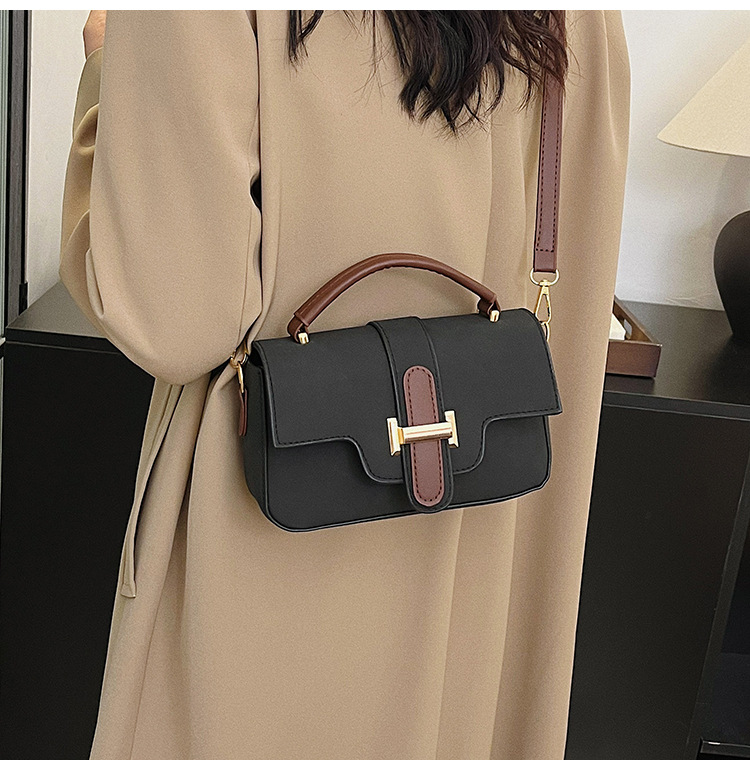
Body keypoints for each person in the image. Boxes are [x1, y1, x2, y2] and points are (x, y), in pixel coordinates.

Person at [60, 10, 630, 760]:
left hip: (261, 574)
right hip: (487, 571)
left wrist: (109, 67)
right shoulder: (581, 18)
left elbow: (170, 317)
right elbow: (571, 282)